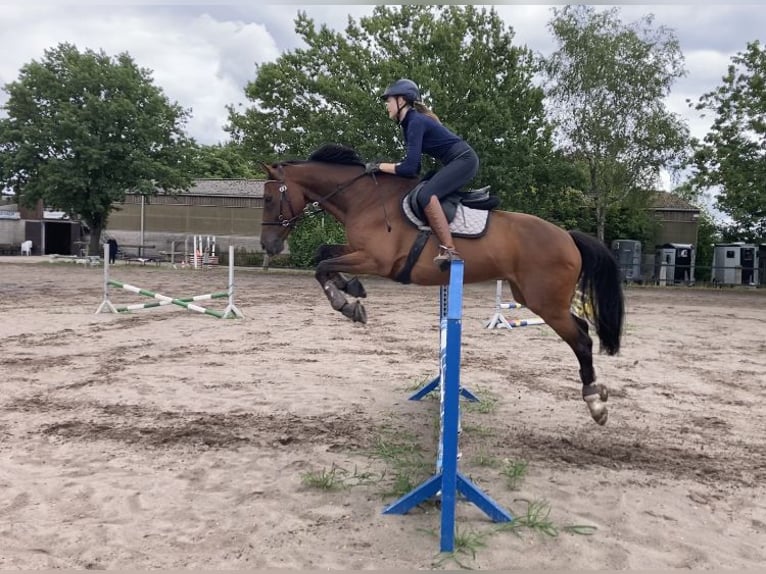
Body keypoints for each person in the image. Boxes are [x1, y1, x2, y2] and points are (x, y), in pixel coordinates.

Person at [369, 78, 479, 267]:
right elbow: (414, 169)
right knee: (424, 190)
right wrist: (383, 168)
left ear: (401, 101)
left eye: (389, 100)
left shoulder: (415, 122)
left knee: (427, 195)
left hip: (465, 160)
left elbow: (409, 168)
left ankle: (449, 250)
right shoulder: (410, 124)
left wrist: (380, 166)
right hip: (459, 160)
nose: (386, 105)